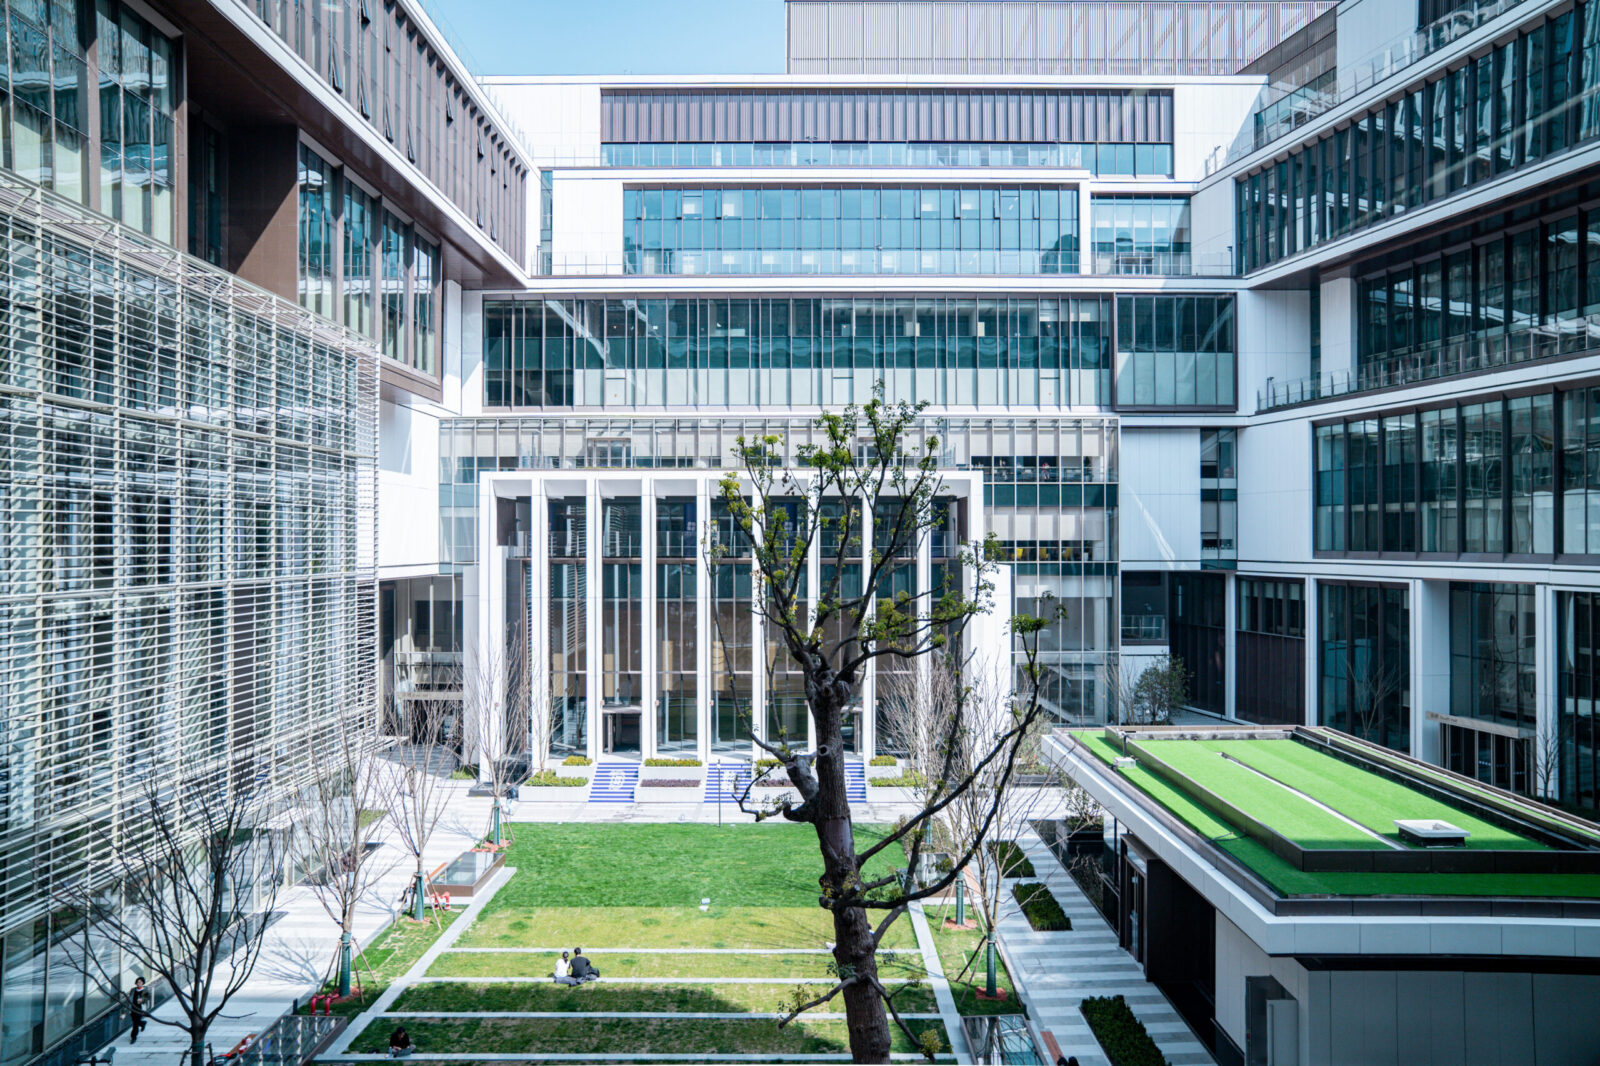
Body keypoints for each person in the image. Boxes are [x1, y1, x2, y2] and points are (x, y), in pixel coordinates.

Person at [129, 977, 149, 1045]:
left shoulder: (145, 990)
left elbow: (147, 998)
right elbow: (130, 999)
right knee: (135, 1021)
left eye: (140, 982)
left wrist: (142, 1000)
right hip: (133, 1008)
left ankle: (133, 1037)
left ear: (143, 983)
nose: (138, 984)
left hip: (140, 1009)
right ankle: (143, 1023)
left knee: (135, 1024)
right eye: (137, 982)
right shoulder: (133, 990)